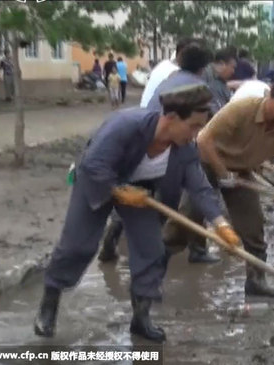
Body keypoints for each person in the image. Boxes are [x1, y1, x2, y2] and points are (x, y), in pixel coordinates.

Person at [33, 83, 241, 343]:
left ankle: (141, 319)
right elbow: (95, 165)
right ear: (171, 117)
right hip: (97, 180)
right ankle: (50, 301)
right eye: (194, 126)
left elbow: (199, 188)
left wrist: (221, 224)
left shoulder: (185, 147)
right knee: (78, 246)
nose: (197, 133)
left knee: (151, 250)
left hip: (141, 191)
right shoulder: (125, 126)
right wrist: (118, 191)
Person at [175, 75, 274, 298]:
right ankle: (153, 271)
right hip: (207, 163)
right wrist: (222, 172)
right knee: (186, 220)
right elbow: (204, 140)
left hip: (241, 172)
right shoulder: (242, 109)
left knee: (253, 227)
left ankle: (256, 281)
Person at [99, 40, 217, 264]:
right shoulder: (197, 89)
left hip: (144, 134)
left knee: (137, 189)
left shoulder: (168, 76)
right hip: (169, 141)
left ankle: (115, 236)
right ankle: (179, 250)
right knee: (188, 192)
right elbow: (208, 122)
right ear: (204, 68)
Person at [203, 49, 237, 116]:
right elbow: (219, 113)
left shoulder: (220, 81)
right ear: (221, 64)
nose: (233, 71)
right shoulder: (209, 82)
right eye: (232, 67)